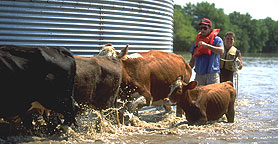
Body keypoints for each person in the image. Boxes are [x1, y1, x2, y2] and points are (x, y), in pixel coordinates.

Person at [189, 18, 224, 86]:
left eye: (205, 28)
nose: (202, 30)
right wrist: (187, 70)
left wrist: (207, 46)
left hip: (212, 74)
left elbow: (221, 51)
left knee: (213, 95)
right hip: (199, 75)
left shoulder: (217, 40)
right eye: (201, 28)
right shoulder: (197, 41)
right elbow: (193, 58)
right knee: (198, 95)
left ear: (210, 29)